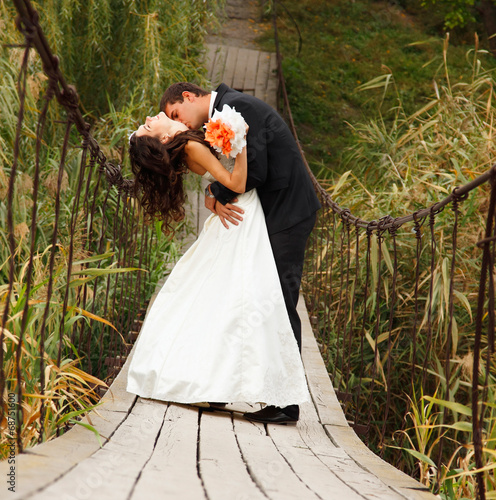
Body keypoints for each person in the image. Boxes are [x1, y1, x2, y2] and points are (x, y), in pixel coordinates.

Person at [125, 111, 310, 416]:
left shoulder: (189, 145)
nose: (149, 115)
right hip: (241, 213)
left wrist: (216, 184)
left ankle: (217, 384)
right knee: (244, 298)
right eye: (148, 125)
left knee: (223, 297)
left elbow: (220, 181)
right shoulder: (191, 148)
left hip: (237, 212)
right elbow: (236, 182)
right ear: (164, 138)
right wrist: (241, 144)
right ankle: (226, 383)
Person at [160, 82, 321, 424]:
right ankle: (232, 385)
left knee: (279, 299)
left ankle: (286, 403)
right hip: (277, 211)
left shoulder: (235, 109)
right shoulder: (226, 110)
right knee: (263, 296)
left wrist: (215, 192)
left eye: (177, 114)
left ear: (188, 97)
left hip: (288, 212)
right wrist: (214, 190)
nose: (183, 124)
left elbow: (256, 170)